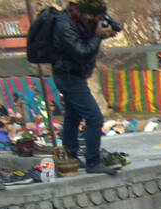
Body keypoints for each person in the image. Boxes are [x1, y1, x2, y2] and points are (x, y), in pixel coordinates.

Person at [49, 0, 120, 176]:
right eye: (94, 16)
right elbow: (81, 52)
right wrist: (98, 36)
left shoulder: (79, 21)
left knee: (73, 116)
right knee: (94, 117)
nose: (96, 20)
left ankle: (70, 155)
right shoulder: (65, 26)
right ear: (84, 13)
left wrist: (105, 31)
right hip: (68, 77)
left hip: (75, 75)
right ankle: (93, 161)